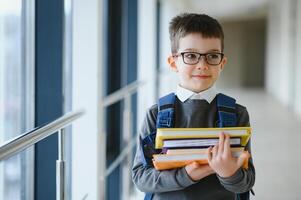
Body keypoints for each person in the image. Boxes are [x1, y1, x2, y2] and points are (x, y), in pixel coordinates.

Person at [132, 13, 255, 200]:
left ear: (222, 63)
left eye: (212, 56)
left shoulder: (237, 113)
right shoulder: (156, 114)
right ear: (173, 63)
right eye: (190, 55)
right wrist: (189, 174)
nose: (202, 65)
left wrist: (229, 173)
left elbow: (247, 181)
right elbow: (141, 177)